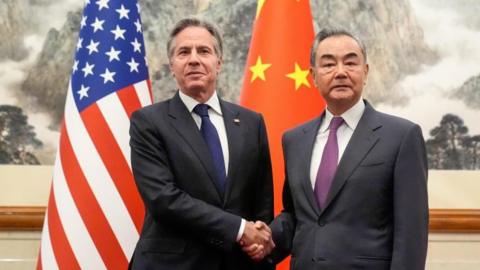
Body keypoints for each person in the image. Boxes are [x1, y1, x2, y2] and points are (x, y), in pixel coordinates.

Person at [245, 28, 429, 269]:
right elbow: (296, 215)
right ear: (313, 75)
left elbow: (411, 234)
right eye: (329, 64)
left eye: (350, 63)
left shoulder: (402, 136)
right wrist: (265, 238)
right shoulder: (294, 140)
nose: (340, 72)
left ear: (365, 72)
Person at [129, 17, 275, 270]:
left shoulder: (252, 123)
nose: (194, 59)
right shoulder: (148, 122)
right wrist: (240, 229)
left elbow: (262, 202)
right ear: (172, 66)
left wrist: (259, 240)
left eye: (204, 51)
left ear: (218, 63)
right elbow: (163, 199)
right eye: (183, 52)